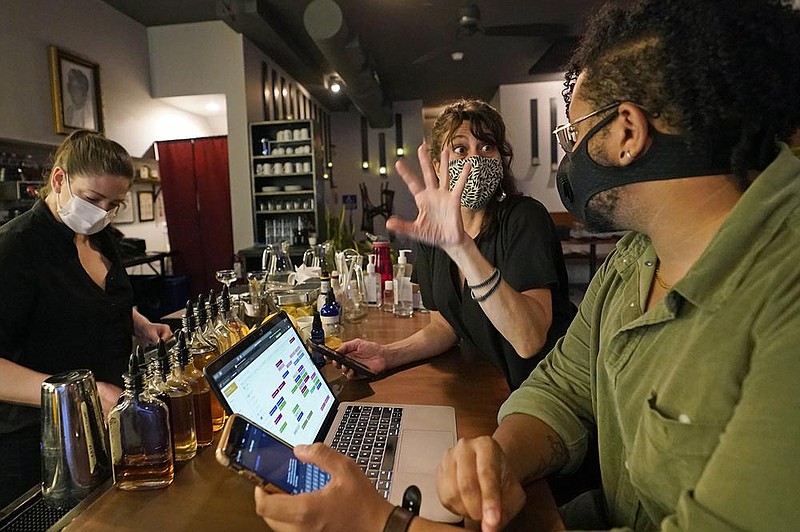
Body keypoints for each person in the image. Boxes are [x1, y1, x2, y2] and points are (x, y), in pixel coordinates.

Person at [252, 0, 800, 530]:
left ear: (627, 133)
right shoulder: (635, 259)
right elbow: (560, 389)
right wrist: (498, 460)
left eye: (575, 135)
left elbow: (531, 341)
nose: (570, 157)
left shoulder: (782, 291)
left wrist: (380, 523)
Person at [336, 99, 575, 391]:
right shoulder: (436, 236)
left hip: (556, 390)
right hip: (499, 386)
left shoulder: (524, 218)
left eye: (487, 147)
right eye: (461, 149)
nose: (475, 159)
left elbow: (529, 340)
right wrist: (387, 355)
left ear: (500, 159)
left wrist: (461, 246)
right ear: (438, 166)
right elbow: (445, 326)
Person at [0, 130, 172, 507]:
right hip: (39, 443)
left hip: (103, 424)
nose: (102, 213)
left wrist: (137, 321)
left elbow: (85, 300)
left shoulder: (98, 236)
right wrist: (81, 394)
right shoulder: (16, 248)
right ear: (59, 179)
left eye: (114, 204)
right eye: (93, 199)